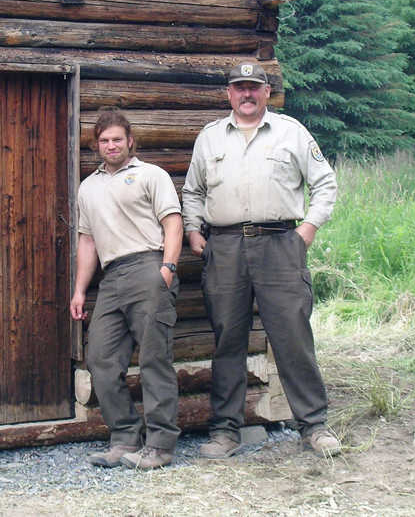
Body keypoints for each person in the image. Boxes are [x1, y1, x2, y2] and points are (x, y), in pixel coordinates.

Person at [181, 62, 341, 458]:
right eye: (239, 88)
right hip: (226, 247)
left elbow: (325, 184)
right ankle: (225, 431)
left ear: (267, 92)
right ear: (229, 94)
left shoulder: (292, 132)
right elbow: (193, 191)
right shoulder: (210, 138)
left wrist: (308, 230)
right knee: (227, 339)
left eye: (254, 87)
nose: (247, 94)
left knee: (293, 336)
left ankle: (314, 426)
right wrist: (193, 229)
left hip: (280, 244)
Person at [70, 108, 183, 470]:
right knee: (101, 359)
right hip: (111, 277)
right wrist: (79, 290)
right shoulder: (89, 187)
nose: (111, 145)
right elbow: (87, 242)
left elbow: (173, 223)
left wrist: (166, 268)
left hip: (149, 266)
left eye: (117, 139)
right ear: (96, 145)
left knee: (154, 359)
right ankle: (123, 437)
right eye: (104, 141)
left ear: (130, 140)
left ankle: (160, 445)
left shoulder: (152, 175)